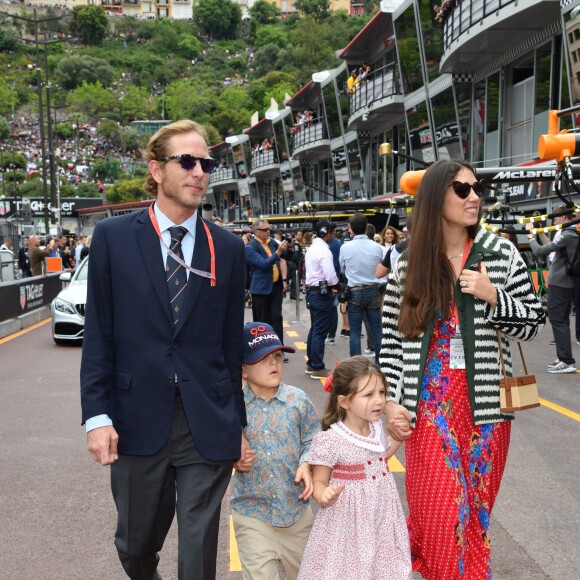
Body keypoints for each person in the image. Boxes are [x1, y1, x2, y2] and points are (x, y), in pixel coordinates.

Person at [80, 120, 248, 580]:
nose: (199, 172)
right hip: (136, 416)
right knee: (135, 547)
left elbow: (231, 346)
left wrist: (239, 422)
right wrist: (97, 417)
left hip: (207, 417)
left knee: (197, 549)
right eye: (187, 161)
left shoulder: (229, 249)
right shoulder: (113, 238)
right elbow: (99, 334)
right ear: (156, 169)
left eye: (206, 163)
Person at [380, 160, 545, 580]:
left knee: (474, 516)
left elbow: (531, 323)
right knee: (439, 512)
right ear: (437, 198)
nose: (474, 196)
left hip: (487, 411)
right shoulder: (408, 263)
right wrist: (390, 405)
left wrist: (493, 296)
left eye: (477, 188)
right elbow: (392, 343)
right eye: (462, 189)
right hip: (428, 409)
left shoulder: (501, 252)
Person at [297, 356, 412, 580]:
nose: (379, 401)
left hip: (381, 516)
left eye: (381, 392)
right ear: (345, 401)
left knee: (384, 568)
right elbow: (319, 481)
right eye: (369, 395)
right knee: (350, 571)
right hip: (348, 525)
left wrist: (398, 438)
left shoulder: (376, 428)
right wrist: (324, 495)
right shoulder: (330, 440)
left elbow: (377, 460)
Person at [231, 322, 320, 580]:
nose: (274, 364)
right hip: (252, 516)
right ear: (243, 370)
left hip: (296, 515)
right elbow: (216, 441)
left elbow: (314, 438)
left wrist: (306, 462)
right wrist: (233, 454)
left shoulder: (298, 400)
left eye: (278, 357)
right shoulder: (235, 407)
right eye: (263, 358)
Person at [527, 206, 578, 373]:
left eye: (555, 218)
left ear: (563, 217)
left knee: (558, 320)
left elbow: (540, 251)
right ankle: (562, 358)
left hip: (560, 283)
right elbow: (552, 248)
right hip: (564, 282)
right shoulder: (572, 233)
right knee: (560, 320)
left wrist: (530, 236)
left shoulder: (568, 234)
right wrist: (539, 232)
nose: (553, 221)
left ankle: (566, 361)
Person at [339, 213, 383, 364]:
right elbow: (383, 269)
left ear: (350, 229)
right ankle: (380, 363)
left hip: (355, 291)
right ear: (366, 227)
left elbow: (342, 269)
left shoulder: (345, 248)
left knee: (355, 332)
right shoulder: (378, 247)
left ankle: (356, 366)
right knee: (377, 330)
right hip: (373, 290)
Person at [246, 219, 294, 356]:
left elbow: (288, 256)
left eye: (269, 229)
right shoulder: (250, 247)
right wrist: (278, 253)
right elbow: (264, 264)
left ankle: (278, 349)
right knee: (262, 321)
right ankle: (262, 350)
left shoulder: (272, 242)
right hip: (260, 289)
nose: (268, 232)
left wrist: (289, 245)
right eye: (265, 229)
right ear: (256, 231)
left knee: (277, 318)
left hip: (275, 287)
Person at [304, 220, 339, 379]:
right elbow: (330, 276)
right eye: (332, 232)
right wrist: (339, 286)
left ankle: (312, 364)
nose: (334, 235)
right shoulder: (324, 250)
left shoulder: (312, 248)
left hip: (313, 292)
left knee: (315, 328)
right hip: (321, 293)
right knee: (320, 330)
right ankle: (318, 367)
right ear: (327, 232)